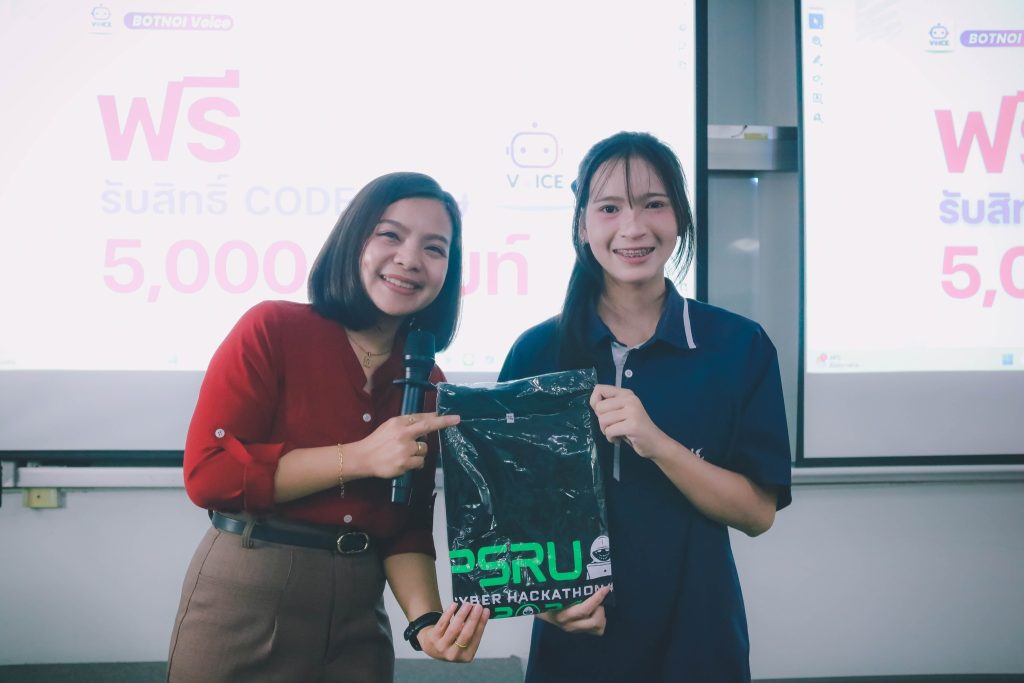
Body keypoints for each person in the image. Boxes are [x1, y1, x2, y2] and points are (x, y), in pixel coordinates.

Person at [167, 172, 489, 683]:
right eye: (390, 235)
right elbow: (210, 475)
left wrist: (426, 623)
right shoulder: (273, 328)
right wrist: (360, 457)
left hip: (360, 609)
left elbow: (406, 525)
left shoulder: (429, 380)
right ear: (353, 240)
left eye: (434, 248)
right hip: (250, 589)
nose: (410, 258)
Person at [499, 132, 792, 682]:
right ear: (582, 225)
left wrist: (657, 444)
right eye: (609, 208)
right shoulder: (536, 352)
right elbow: (510, 522)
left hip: (699, 641)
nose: (633, 228)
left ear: (679, 217)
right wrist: (544, 604)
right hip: (577, 645)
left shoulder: (738, 345)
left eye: (654, 204)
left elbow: (757, 514)